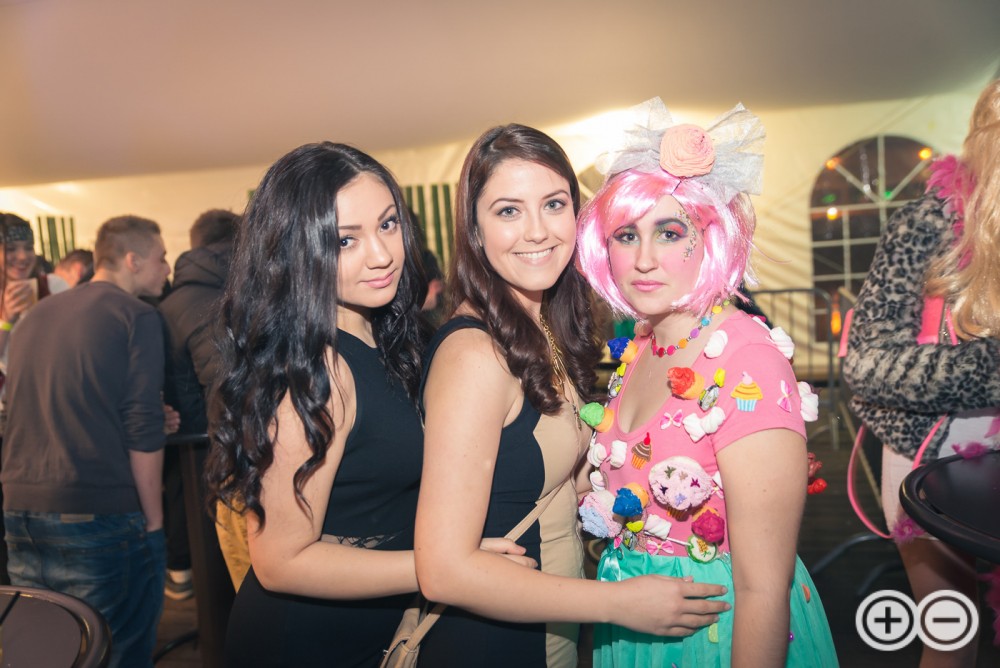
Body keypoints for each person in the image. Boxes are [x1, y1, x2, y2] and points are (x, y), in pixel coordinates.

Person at [414, 124, 731, 668]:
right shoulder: (474, 356)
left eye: (553, 204)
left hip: (551, 630)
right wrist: (619, 604)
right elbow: (443, 570)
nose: (537, 231)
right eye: (508, 211)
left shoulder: (538, 328)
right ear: (474, 229)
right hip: (495, 645)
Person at [204, 142, 530, 667]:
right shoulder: (318, 371)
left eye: (387, 224)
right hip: (305, 643)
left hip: (376, 626)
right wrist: (446, 567)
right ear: (294, 249)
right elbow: (280, 562)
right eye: (344, 240)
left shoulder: (386, 337)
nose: (381, 255)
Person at [575, 99, 837, 666]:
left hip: (717, 632)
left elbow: (763, 588)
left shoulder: (747, 358)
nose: (644, 259)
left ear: (710, 238)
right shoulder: (642, 346)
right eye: (626, 235)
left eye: (669, 233)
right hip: (631, 630)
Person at [843, 78, 1000, 667]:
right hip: (931, 464)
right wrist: (991, 370)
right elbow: (867, 365)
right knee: (952, 640)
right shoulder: (927, 223)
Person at [2, 215, 172, 668]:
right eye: (161, 258)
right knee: (114, 650)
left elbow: (44, 405)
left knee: (42, 653)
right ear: (132, 260)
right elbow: (141, 425)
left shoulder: (34, 315)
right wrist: (154, 523)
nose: (167, 268)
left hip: (21, 511)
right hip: (97, 512)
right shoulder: (137, 315)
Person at [159, 208, 242, 597]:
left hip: (208, 442)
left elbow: (188, 389)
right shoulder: (258, 282)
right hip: (251, 439)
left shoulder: (174, 302)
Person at [0, 213, 70, 584]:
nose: (22, 256)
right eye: (11, 248)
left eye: (27, 247)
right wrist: (7, 320)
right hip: (5, 423)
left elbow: (69, 344)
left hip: (45, 417)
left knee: (42, 516)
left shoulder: (51, 285)